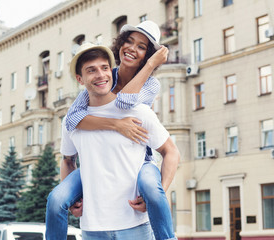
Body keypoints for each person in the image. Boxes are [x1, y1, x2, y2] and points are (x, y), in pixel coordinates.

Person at [46, 21, 177, 240]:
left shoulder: (149, 86)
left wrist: (151, 65)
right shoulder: (106, 75)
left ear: (148, 56)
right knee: (56, 200)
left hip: (141, 162)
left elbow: (126, 104)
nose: (133, 49)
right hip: (94, 211)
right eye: (129, 41)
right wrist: (116, 124)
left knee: (153, 191)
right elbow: (73, 119)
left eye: (142, 47)